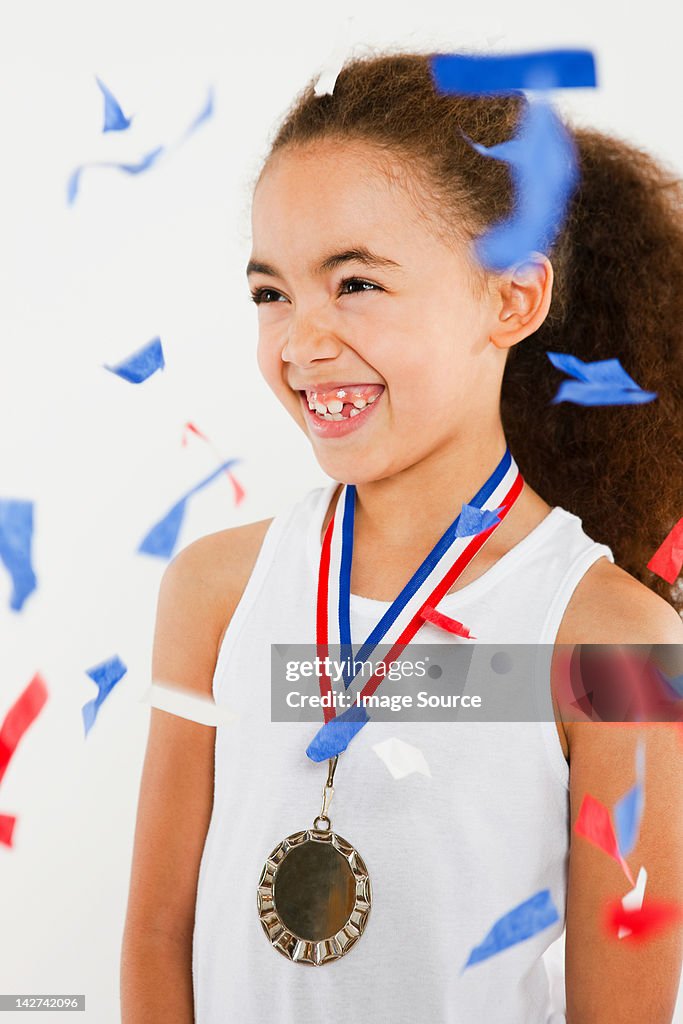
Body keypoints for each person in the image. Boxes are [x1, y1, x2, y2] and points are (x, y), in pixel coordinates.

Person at [120, 52, 683, 1023]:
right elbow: (156, 935)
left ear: (510, 298)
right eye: (271, 293)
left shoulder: (615, 644)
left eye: (355, 284)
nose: (300, 342)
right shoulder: (213, 592)